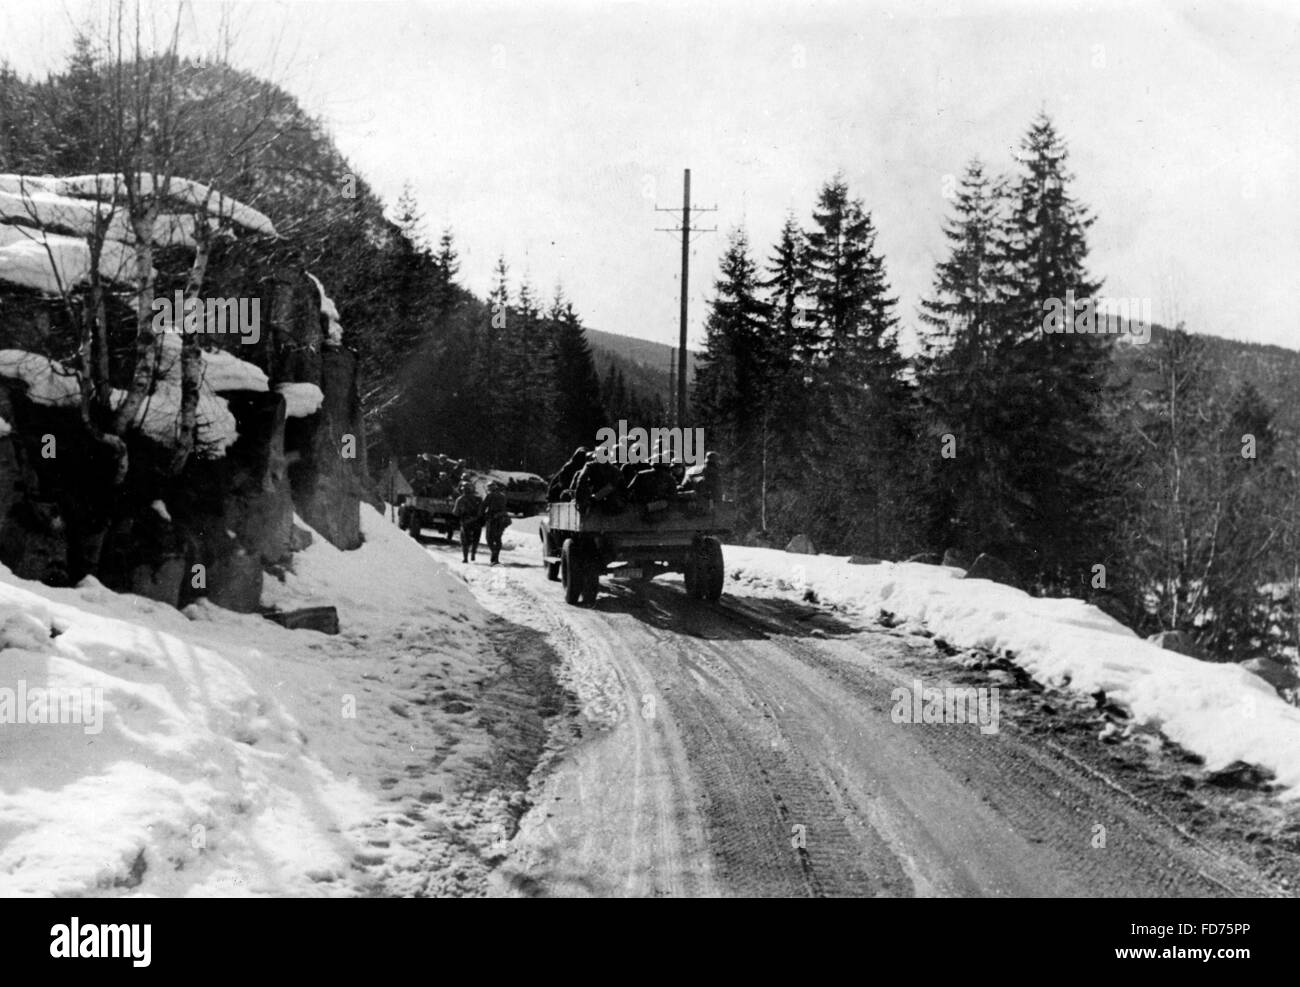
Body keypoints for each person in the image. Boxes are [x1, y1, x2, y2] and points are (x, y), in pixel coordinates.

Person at [481, 480, 511, 565]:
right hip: (502, 519)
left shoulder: (489, 496)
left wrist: (481, 516)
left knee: (489, 538)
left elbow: (483, 506)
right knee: (498, 538)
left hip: (492, 519)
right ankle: (496, 558)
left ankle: (494, 554)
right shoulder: (503, 496)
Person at [453, 481, 483, 563]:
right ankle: (473, 553)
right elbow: (481, 512)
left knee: (464, 541)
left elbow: (455, 512)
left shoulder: (460, 499)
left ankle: (465, 558)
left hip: (465, 522)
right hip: (477, 522)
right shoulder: (478, 499)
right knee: (476, 539)